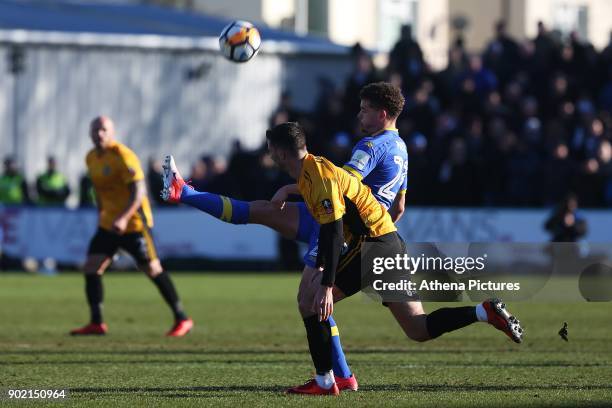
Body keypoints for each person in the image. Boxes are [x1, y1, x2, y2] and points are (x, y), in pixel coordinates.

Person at [162, 82, 410, 391]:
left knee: (311, 298)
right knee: (261, 212)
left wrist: (298, 193)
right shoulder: (401, 149)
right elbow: (398, 206)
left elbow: (339, 181)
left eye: (364, 109)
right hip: (362, 229)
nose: (358, 115)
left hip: (338, 223)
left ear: (382, 113)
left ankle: (333, 378)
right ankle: (184, 191)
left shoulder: (372, 146)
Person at [264, 122, 523, 396]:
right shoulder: (314, 169)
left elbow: (333, 229)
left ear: (280, 153)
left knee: (310, 301)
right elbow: (328, 189)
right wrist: (287, 190)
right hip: (390, 242)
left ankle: (326, 381)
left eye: (270, 149)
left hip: (373, 245)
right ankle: (483, 312)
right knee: (417, 328)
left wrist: (327, 285)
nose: (268, 154)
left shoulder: (318, 175)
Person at [70, 116, 193, 336]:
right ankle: (97, 323)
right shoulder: (91, 158)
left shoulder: (123, 156)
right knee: (91, 267)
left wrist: (124, 218)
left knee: (152, 269)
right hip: (109, 224)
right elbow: (99, 190)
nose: (100, 134)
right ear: (90, 133)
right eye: (96, 129)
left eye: (104, 130)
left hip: (134, 223)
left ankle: (182, 318)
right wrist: (103, 214)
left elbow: (139, 192)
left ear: (111, 132)